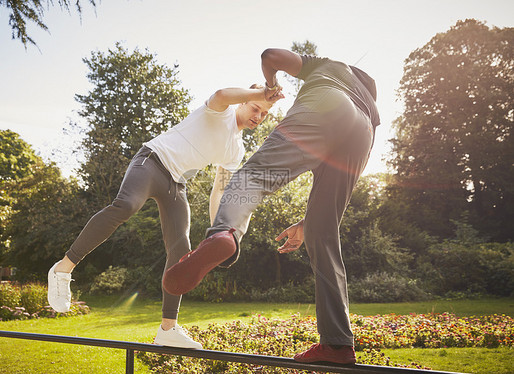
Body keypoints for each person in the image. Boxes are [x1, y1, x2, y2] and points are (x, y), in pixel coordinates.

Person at [163, 48, 380, 363]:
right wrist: (308, 222)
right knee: (324, 234)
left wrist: (270, 82)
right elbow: (331, 204)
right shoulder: (370, 103)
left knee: (252, 178)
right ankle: (337, 344)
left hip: (324, 104)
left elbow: (271, 55)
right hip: (363, 133)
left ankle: (224, 233)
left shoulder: (327, 68)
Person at [47, 84, 283, 349]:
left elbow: (219, 191)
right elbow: (220, 95)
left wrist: (220, 231)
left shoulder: (235, 150)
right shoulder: (221, 111)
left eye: (264, 114)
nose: (258, 116)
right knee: (126, 205)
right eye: (255, 108)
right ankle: (62, 268)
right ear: (243, 102)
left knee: (181, 248)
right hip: (151, 161)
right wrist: (258, 92)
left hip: (176, 185)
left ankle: (168, 329)